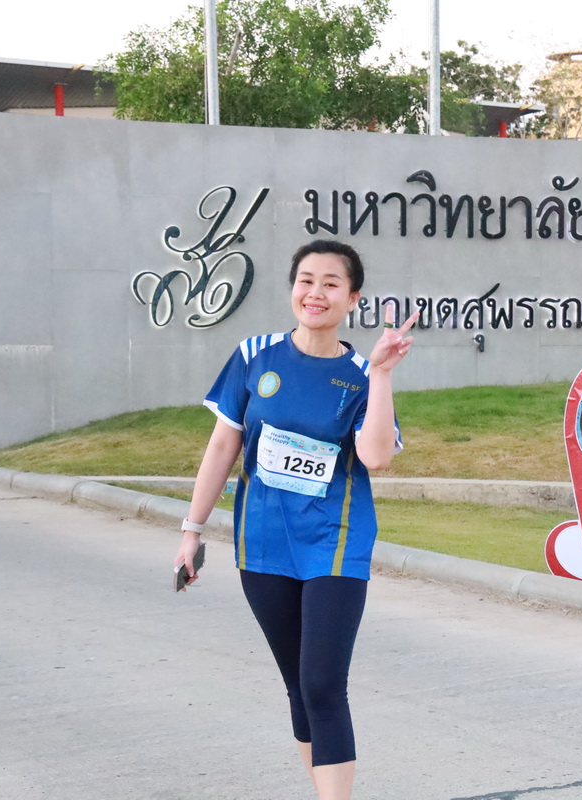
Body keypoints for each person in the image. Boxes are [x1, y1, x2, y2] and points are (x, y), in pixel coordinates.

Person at [174, 239, 418, 800]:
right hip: (262, 542)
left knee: (323, 684)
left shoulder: (362, 373)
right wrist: (192, 530)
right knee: (299, 688)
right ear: (292, 289)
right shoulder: (254, 355)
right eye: (306, 280)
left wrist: (382, 374)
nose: (316, 293)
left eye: (332, 283)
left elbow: (376, 456)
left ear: (352, 299)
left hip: (334, 544)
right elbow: (222, 447)